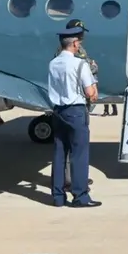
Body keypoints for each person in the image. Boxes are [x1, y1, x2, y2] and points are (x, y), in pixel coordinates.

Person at [47, 27, 101, 208]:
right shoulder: (80, 64)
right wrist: (93, 90)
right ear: (75, 43)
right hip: (76, 111)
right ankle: (80, 196)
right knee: (79, 154)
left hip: (58, 110)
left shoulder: (53, 63)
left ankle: (57, 196)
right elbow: (90, 92)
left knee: (59, 153)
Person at [54, 19, 96, 190]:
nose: (82, 35)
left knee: (64, 149)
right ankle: (74, 183)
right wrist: (92, 68)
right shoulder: (71, 53)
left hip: (66, 105)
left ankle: (67, 183)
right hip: (75, 104)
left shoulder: (60, 55)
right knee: (76, 148)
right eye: (80, 32)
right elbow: (82, 71)